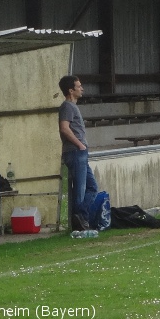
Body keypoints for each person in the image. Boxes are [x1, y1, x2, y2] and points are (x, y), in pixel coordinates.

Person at [58, 75, 98, 231]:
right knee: (80, 190)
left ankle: (80, 216)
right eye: (79, 86)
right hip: (75, 152)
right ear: (71, 90)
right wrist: (80, 145)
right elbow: (64, 128)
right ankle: (79, 220)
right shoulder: (67, 106)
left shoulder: (72, 107)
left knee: (92, 187)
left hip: (79, 152)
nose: (82, 88)